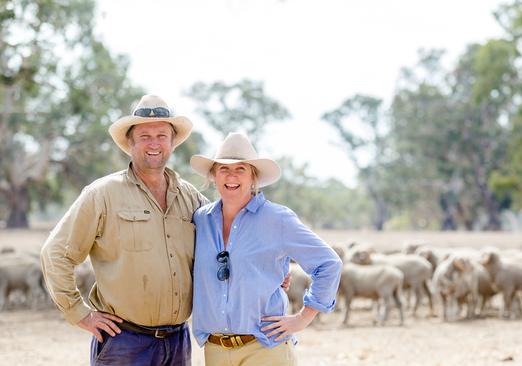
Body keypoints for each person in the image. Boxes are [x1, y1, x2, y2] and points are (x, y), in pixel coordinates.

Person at [40, 94, 210, 365]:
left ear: (172, 142)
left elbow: (229, 242)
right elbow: (55, 253)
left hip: (178, 342)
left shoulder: (191, 198)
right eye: (144, 136)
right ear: (130, 142)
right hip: (124, 343)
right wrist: (78, 312)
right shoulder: (102, 194)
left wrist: (274, 270)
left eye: (161, 135)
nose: (154, 143)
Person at [190, 132, 343, 366]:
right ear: (213, 175)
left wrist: (303, 318)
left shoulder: (277, 219)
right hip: (215, 350)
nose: (231, 176)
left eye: (240, 169)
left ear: (254, 177)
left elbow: (329, 263)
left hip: (264, 349)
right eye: (223, 169)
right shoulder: (201, 220)